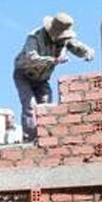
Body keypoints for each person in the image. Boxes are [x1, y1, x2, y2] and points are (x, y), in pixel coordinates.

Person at [13, 12, 95, 142]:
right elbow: (31, 58)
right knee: (30, 106)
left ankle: (45, 139)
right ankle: (30, 140)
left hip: (42, 79)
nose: (63, 39)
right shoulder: (34, 37)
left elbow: (77, 46)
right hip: (24, 75)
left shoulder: (63, 39)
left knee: (46, 107)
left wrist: (87, 53)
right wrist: (54, 60)